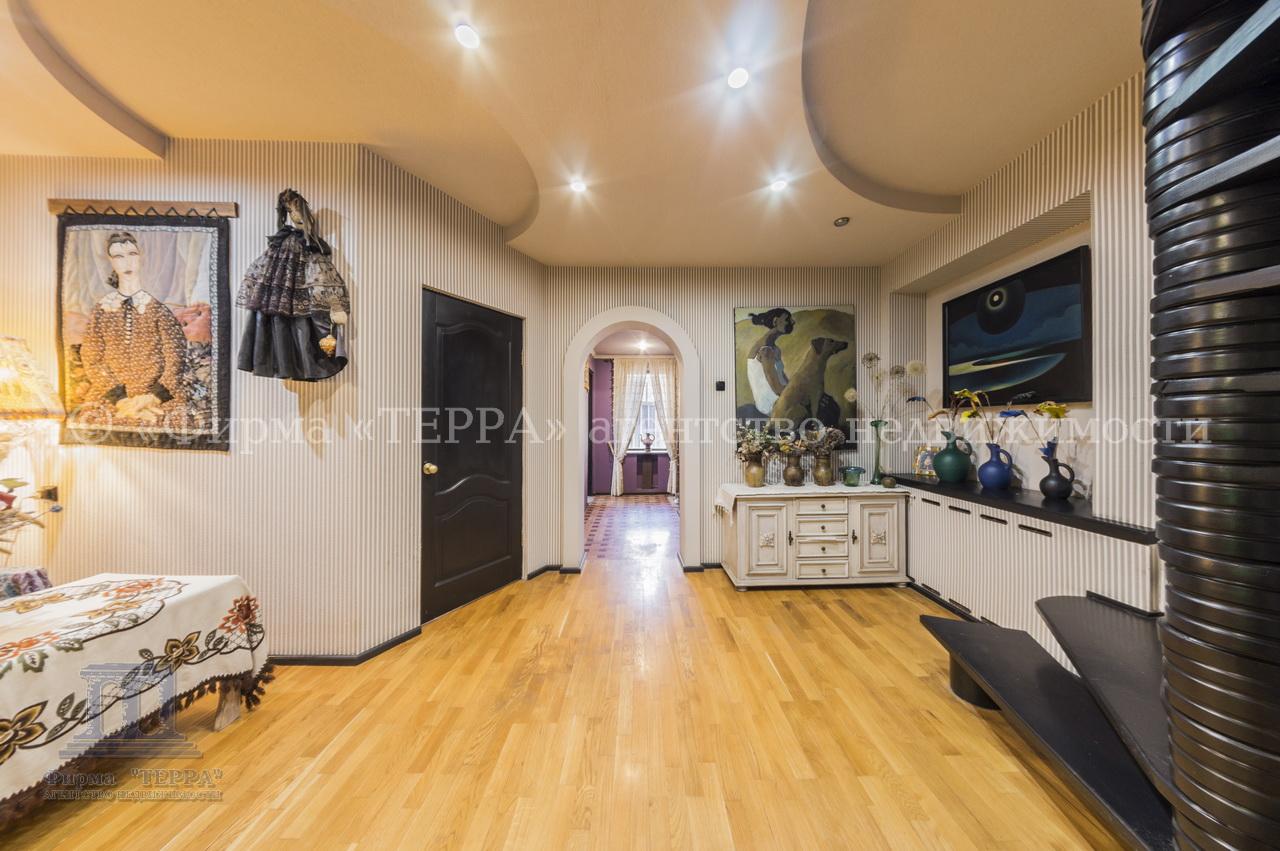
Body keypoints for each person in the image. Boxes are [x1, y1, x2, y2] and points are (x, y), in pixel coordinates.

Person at [236, 189, 350, 381]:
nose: (295, 214)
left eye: (296, 208)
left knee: (305, 324)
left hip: (304, 297)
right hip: (282, 298)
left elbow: (322, 277)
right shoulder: (283, 243)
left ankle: (306, 365)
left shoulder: (309, 245)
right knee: (280, 321)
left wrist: (335, 304)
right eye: (290, 210)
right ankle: (287, 364)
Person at [78, 232, 188, 425]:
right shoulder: (101, 311)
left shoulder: (159, 310)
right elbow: (92, 358)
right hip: (110, 395)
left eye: (132, 254)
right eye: (118, 256)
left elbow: (176, 358)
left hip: (158, 396)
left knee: (174, 421)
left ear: (141, 258)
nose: (126, 262)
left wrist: (152, 397)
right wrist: (121, 400)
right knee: (92, 421)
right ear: (110, 262)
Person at [745, 307, 794, 418]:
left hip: (781, 397)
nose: (793, 322)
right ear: (775, 321)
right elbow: (776, 387)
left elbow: (782, 379)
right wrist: (794, 395)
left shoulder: (774, 349)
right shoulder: (765, 350)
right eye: (787, 319)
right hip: (771, 404)